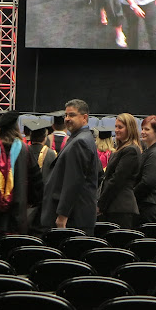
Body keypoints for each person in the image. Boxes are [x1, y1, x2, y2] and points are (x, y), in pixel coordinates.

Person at [40, 99, 100, 234]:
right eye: (66, 115)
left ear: (85, 117)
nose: (67, 119)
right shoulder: (80, 138)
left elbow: (73, 182)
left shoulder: (80, 142)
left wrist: (62, 215)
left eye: (72, 115)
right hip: (77, 215)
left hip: (73, 218)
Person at [0, 112, 43, 249]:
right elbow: (36, 181)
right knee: (13, 250)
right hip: (18, 212)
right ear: (16, 128)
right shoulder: (26, 150)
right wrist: (32, 201)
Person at [98, 113, 141, 229]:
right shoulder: (120, 149)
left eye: (120, 127)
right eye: (116, 127)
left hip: (121, 208)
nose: (116, 130)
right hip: (114, 206)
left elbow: (116, 180)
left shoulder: (130, 150)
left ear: (130, 129)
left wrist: (100, 205)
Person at [134, 115, 156, 224]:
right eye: (142, 128)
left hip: (150, 209)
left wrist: (131, 195)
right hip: (145, 206)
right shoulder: (149, 151)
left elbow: (148, 182)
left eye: (147, 129)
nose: (142, 132)